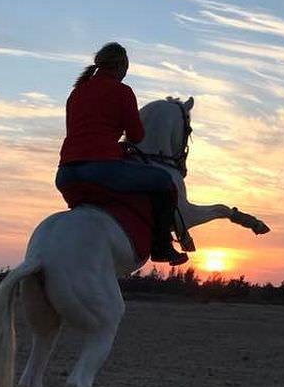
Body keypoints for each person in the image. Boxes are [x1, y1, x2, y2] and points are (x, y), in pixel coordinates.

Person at [56, 42, 188, 265]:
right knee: (164, 181)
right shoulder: (122, 91)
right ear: (121, 66)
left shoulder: (77, 92)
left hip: (66, 174)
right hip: (101, 170)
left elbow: (83, 134)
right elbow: (136, 136)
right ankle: (161, 247)